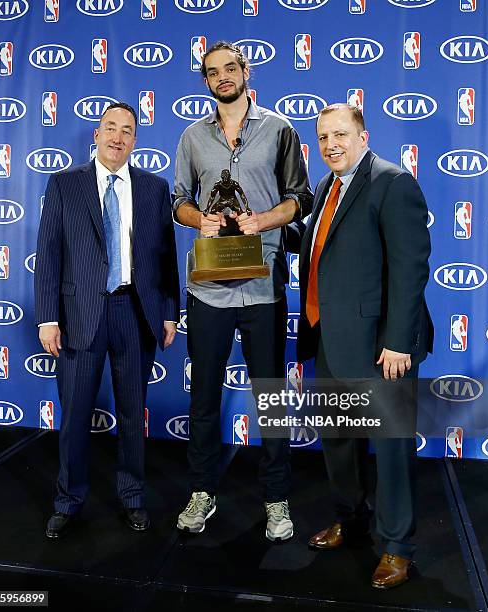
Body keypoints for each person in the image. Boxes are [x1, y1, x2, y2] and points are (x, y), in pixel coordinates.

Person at [172, 41, 312, 542]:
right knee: (204, 398)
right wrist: (199, 219)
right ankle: (203, 491)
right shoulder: (192, 137)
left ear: (245, 72)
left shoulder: (280, 130)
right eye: (213, 72)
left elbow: (301, 198)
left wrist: (263, 220)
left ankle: (276, 500)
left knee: (271, 399)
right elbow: (179, 201)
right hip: (209, 290)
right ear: (206, 82)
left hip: (263, 287)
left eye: (230, 68)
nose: (223, 77)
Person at [297, 104, 433, 588]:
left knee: (391, 449)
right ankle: (349, 520)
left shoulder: (393, 183)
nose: (331, 143)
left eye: (341, 134)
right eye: (323, 137)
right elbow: (325, 251)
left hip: (381, 346)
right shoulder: (325, 187)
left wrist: (398, 342)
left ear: (363, 135)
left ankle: (397, 547)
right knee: (338, 440)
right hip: (329, 337)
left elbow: (410, 269)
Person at [35, 102, 179, 538]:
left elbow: (166, 257)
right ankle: (68, 499)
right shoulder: (63, 185)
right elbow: (49, 256)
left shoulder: (155, 189)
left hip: (136, 314)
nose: (118, 137)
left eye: (128, 131)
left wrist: (170, 312)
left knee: (134, 413)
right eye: (110, 128)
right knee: (76, 413)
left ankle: (132, 496)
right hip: (80, 316)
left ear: (135, 140)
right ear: (96, 135)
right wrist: (47, 319)